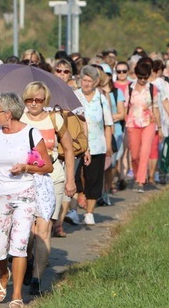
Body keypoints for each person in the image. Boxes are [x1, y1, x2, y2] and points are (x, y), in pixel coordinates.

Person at [0, 93, 53, 308]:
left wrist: (26, 167)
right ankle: (3, 273)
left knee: (19, 245)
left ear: (8, 114)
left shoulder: (30, 133)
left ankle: (17, 294)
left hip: (23, 194)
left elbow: (47, 166)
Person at [20, 82, 76, 295]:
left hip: (53, 178)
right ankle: (27, 259)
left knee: (44, 229)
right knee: (29, 231)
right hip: (26, 179)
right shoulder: (19, 119)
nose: (34, 103)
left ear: (46, 100)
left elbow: (69, 150)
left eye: (39, 100)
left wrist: (71, 179)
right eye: (30, 99)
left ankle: (36, 278)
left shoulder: (55, 119)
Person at [73, 66, 114, 223]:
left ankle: (89, 212)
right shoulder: (75, 96)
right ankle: (73, 209)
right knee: (75, 177)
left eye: (90, 81)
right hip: (78, 145)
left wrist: (108, 145)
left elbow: (108, 124)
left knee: (94, 179)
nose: (87, 84)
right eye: (84, 80)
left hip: (97, 145)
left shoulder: (101, 98)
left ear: (95, 82)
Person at [125, 60, 160, 192]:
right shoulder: (129, 88)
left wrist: (160, 127)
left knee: (145, 152)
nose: (143, 80)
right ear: (136, 75)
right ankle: (137, 175)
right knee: (134, 155)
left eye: (146, 77)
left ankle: (140, 181)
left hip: (148, 123)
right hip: (132, 123)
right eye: (140, 77)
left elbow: (156, 108)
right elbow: (125, 107)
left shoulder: (152, 89)